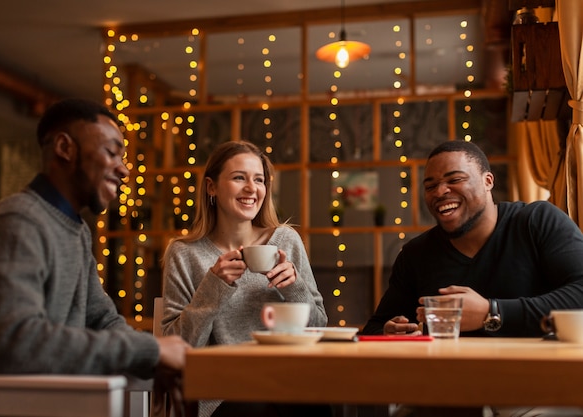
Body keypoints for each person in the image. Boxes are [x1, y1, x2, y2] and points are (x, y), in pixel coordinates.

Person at [0, 98, 189, 385]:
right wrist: (151, 350)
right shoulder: (17, 222)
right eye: (111, 153)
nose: (125, 170)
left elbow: (103, 320)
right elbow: (17, 347)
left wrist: (156, 364)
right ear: (65, 148)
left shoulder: (76, 230)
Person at [362, 140, 583, 417]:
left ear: (488, 180)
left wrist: (492, 313)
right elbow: (372, 330)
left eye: (454, 179)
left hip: (537, 388)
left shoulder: (536, 221)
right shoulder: (416, 254)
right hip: (449, 395)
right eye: (430, 186)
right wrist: (388, 333)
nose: (440, 192)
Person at [160, 140, 329, 417]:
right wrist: (212, 287)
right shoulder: (185, 253)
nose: (252, 188)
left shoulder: (286, 240)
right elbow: (175, 347)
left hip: (286, 384)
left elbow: (319, 326)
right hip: (221, 398)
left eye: (259, 180)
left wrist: (295, 287)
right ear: (211, 187)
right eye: (239, 178)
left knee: (316, 404)